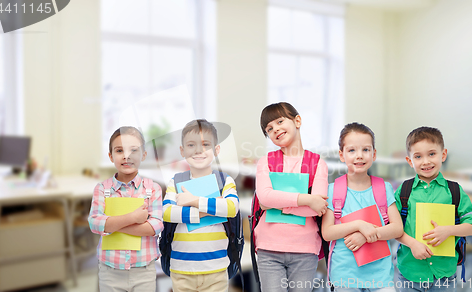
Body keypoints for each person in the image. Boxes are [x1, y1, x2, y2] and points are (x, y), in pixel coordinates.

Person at [255, 102, 328, 292]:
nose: (276, 129)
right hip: (268, 248)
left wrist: (276, 204)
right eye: (269, 128)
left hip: (305, 249)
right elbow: (264, 196)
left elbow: (318, 207)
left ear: (297, 121)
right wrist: (307, 199)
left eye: (280, 121)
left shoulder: (318, 163)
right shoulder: (265, 162)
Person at [321, 122, 403, 292]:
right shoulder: (333, 190)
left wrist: (365, 236)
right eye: (352, 150)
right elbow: (327, 232)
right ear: (342, 155)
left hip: (380, 276)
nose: (359, 156)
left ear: (374, 154)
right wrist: (359, 225)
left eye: (365, 150)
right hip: (345, 275)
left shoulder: (384, 188)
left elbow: (397, 228)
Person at [395, 126, 472, 292]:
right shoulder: (404, 191)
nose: (426, 161)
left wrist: (449, 230)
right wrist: (412, 244)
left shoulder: (454, 191)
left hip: (444, 276)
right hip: (410, 273)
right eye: (418, 156)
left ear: (443, 155)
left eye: (432, 154)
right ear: (410, 161)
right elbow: (393, 228)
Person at [162, 119, 239, 292]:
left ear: (216, 150)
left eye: (205, 144)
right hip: (181, 269)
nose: (198, 150)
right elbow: (167, 212)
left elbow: (232, 208)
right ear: (182, 151)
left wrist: (193, 201)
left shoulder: (224, 180)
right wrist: (211, 210)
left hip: (216, 269)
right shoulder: (176, 181)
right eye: (191, 145)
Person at [88, 126, 163, 292]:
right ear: (111, 156)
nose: (126, 156)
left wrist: (113, 225)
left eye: (133, 150)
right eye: (119, 150)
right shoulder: (102, 189)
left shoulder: (153, 189)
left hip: (144, 270)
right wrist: (133, 218)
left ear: (143, 155)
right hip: (110, 271)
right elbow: (95, 224)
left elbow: (155, 226)